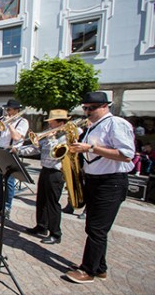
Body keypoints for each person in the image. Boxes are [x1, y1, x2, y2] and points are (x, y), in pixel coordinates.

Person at [64, 92, 135, 284]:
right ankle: (100, 268)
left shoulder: (116, 124)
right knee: (93, 227)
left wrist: (90, 148)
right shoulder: (93, 126)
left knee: (97, 229)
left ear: (105, 106)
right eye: (85, 108)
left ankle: (88, 271)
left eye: (91, 108)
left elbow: (127, 154)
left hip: (111, 182)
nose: (87, 112)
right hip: (95, 180)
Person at [15, 109, 70, 245]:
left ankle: (55, 233)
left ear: (61, 123)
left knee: (52, 203)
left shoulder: (66, 136)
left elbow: (55, 153)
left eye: (52, 123)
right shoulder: (49, 135)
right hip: (45, 169)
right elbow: (36, 149)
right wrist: (18, 150)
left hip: (56, 172)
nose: (49, 125)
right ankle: (41, 226)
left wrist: (51, 138)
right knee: (41, 200)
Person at [0, 99, 29, 219]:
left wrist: (9, 124)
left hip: (11, 151)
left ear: (16, 110)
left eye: (9, 109)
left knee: (9, 182)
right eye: (6, 109)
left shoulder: (23, 122)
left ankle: (7, 207)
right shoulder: (2, 121)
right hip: (0, 150)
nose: (7, 112)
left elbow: (16, 137)